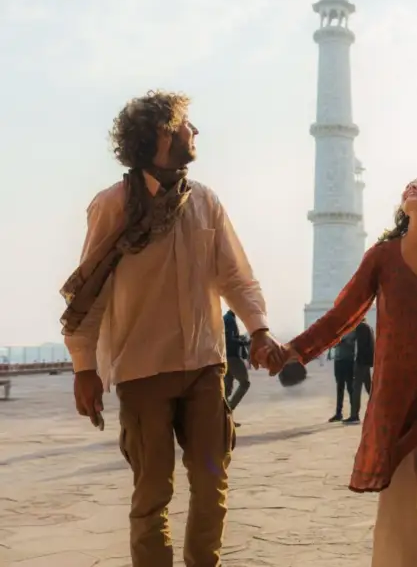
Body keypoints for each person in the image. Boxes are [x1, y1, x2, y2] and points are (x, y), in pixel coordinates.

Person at [59, 90, 282, 567]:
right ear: (162, 133)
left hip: (204, 366)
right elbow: (90, 294)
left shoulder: (204, 201)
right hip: (143, 370)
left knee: (210, 481)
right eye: (186, 124)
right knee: (153, 490)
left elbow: (235, 275)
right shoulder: (114, 206)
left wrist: (259, 329)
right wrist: (84, 369)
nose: (195, 132)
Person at [259, 173, 417, 567]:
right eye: (410, 184)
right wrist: (295, 350)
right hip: (393, 399)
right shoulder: (382, 256)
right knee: (397, 506)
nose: (413, 186)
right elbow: (343, 314)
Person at [344, 317, 374, 424]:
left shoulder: (360, 327)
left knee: (356, 388)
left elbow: (350, 339)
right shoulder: (368, 327)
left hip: (361, 362)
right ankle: (378, 410)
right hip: (367, 361)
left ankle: (354, 415)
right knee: (370, 388)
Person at [224, 309, 251, 420]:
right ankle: (229, 408)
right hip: (233, 357)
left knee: (227, 388)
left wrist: (240, 338)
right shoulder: (230, 320)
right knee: (245, 383)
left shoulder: (227, 318)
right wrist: (243, 342)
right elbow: (229, 339)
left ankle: (225, 419)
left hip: (226, 356)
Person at [328, 330, 356, 422]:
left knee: (350, 387)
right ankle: (338, 413)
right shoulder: (339, 330)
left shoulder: (353, 329)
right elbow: (333, 343)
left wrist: (341, 340)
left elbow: (351, 342)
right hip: (338, 360)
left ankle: (354, 413)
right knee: (339, 387)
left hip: (348, 360)